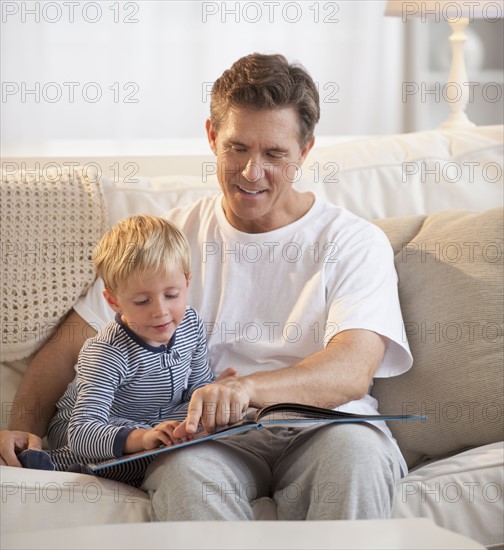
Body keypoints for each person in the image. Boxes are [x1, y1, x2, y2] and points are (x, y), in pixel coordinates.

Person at [1, 53, 412, 520]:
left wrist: (248, 390)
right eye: (237, 148)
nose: (252, 172)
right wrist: (21, 432)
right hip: (211, 442)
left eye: (275, 154)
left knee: (357, 458)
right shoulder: (169, 240)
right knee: (183, 471)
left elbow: (351, 369)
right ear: (212, 137)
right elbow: (66, 348)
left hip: (330, 428)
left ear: (305, 150)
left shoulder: (353, 241)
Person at [19, 214, 217, 486]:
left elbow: (197, 388)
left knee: (206, 430)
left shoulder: (191, 324)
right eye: (142, 301)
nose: (160, 312)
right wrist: (143, 438)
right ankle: (56, 463)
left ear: (187, 283)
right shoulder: (106, 353)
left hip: (153, 418)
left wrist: (214, 393)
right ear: (114, 301)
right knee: (151, 455)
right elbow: (81, 432)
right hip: (86, 425)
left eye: (172, 295)